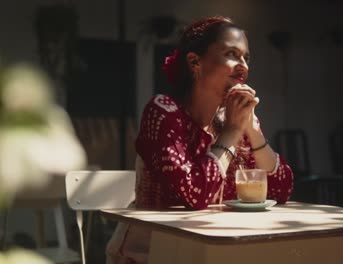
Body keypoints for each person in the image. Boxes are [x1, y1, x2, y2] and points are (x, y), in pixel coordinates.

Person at [106, 16, 294, 264]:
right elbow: (196, 196)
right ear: (195, 62)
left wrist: (251, 129)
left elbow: (281, 190)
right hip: (153, 254)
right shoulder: (164, 112)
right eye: (232, 54)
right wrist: (232, 132)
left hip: (216, 252)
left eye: (246, 58)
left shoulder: (234, 119)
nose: (243, 66)